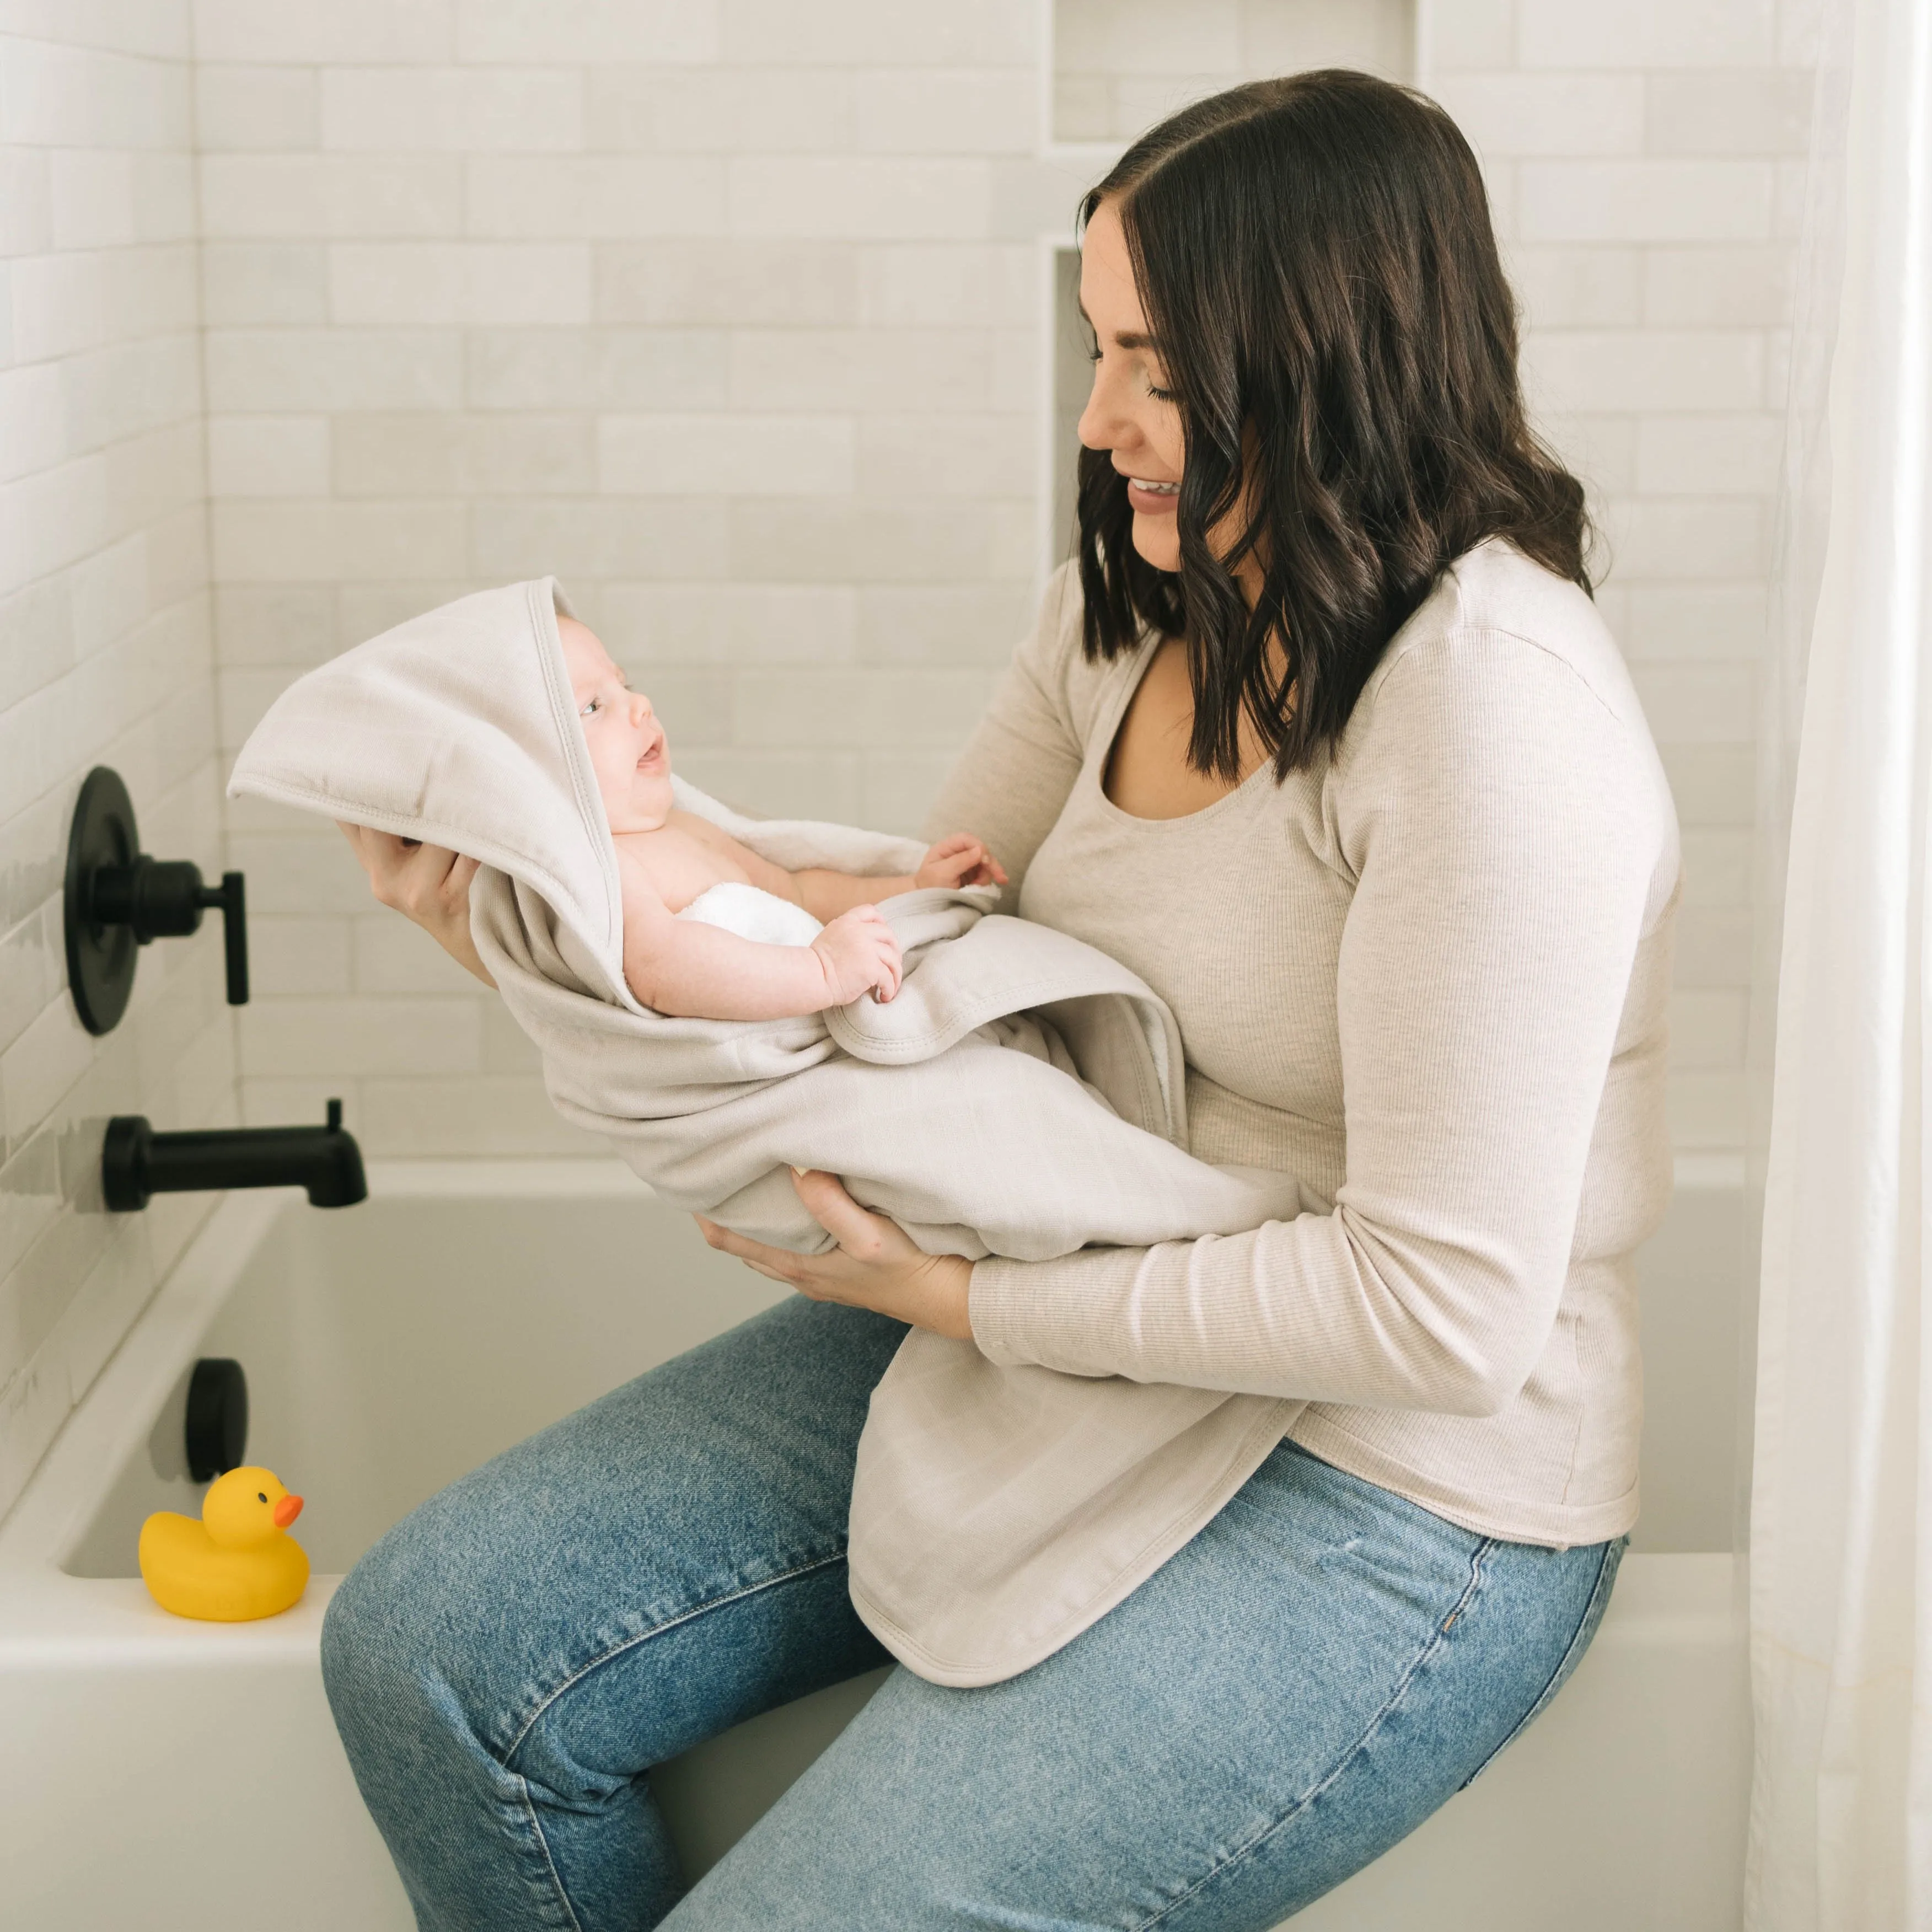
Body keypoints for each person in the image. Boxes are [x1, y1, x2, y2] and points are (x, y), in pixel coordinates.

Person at [322, 69, 1678, 1929]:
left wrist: (966, 1297)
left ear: (1335, 360)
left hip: (1386, 1480)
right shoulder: (1122, 611)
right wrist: (544, 912)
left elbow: (1434, 1313)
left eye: (1160, 366)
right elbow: (888, 984)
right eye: (1093, 343)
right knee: (429, 1657)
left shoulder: (1493, 709)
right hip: (1066, 1321)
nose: (1100, 415)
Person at [558, 609, 1006, 1017]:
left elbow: (798, 892)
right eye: (593, 707)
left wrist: (912, 886)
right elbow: (660, 969)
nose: (641, 705)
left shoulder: (685, 827)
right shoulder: (610, 867)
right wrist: (822, 970)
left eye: (626, 685)